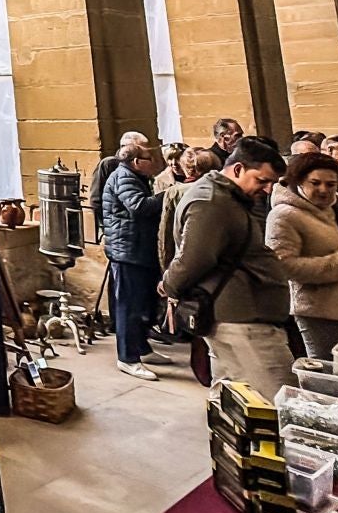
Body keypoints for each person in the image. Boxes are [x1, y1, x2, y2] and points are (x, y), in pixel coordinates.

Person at [159, 138, 293, 396]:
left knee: (233, 394)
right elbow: (193, 258)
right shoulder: (211, 202)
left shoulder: (227, 198)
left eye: (271, 183)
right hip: (241, 320)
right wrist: (169, 285)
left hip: (242, 315)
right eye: (262, 180)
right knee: (276, 397)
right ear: (238, 169)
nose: (267, 190)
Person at [265, 152, 338, 359]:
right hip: (319, 311)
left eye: (331, 184)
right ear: (299, 182)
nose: (324, 190)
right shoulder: (284, 215)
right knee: (327, 376)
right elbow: (282, 265)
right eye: (315, 183)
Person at [101, 141, 166, 381]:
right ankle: (128, 358)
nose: (155, 163)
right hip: (127, 250)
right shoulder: (124, 177)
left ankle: (142, 348)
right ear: (137, 162)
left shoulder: (134, 177)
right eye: (150, 158)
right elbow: (138, 207)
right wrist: (169, 195)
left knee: (141, 303)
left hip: (136, 248)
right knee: (128, 306)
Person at [156, 147, 220, 271]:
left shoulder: (176, 192)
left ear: (188, 168)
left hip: (187, 260)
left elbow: (166, 232)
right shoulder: (225, 188)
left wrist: (166, 269)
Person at [86, 130, 151, 224]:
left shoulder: (139, 164)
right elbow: (96, 199)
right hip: (119, 226)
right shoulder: (109, 164)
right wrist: (107, 225)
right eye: (139, 149)